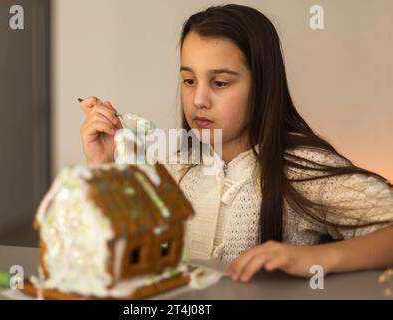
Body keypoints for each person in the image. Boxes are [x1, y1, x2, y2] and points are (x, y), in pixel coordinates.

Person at [79, 4, 393, 282]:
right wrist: (105, 168)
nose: (199, 100)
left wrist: (319, 259)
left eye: (220, 83)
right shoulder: (172, 172)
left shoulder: (301, 171)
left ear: (262, 85)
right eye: (189, 80)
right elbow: (117, 260)